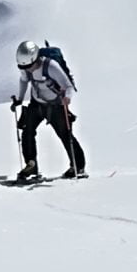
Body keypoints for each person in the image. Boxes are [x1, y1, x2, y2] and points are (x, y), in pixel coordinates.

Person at [10, 38, 85, 182]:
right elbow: (24, 81)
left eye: (29, 66)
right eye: (23, 67)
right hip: (37, 103)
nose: (26, 69)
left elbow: (68, 86)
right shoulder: (26, 69)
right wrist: (19, 99)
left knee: (65, 134)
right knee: (27, 131)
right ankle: (31, 165)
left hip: (55, 105)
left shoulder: (51, 66)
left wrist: (67, 98)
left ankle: (78, 166)